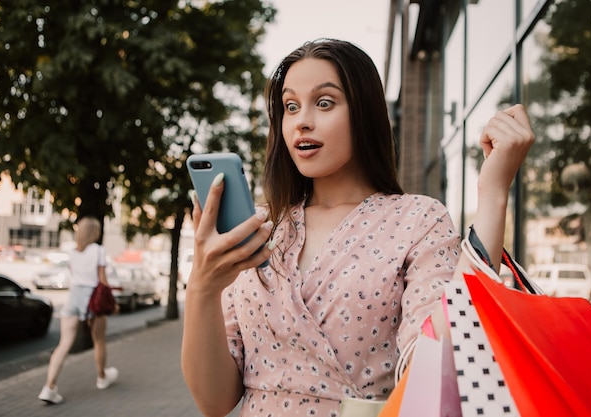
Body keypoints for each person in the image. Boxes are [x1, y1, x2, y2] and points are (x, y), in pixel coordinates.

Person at [181, 38, 534, 417]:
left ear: (363, 113)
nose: (302, 121)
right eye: (291, 106)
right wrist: (202, 285)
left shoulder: (417, 219)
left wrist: (493, 192)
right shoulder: (262, 227)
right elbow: (214, 401)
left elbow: (437, 366)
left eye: (325, 102)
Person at [38, 216, 119, 404]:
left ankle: (49, 387)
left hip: (74, 297)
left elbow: (74, 275)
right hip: (93, 299)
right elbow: (102, 279)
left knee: (64, 344)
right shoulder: (99, 250)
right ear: (94, 232)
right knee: (99, 340)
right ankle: (102, 377)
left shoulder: (72, 252)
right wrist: (112, 303)